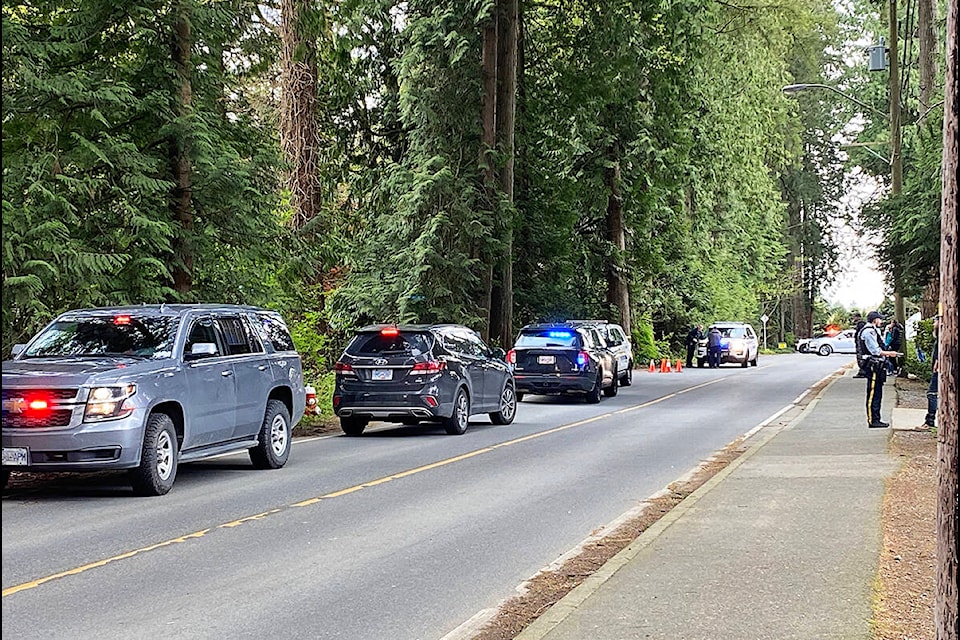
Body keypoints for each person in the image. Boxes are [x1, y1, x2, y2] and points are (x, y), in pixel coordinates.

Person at [859, 310, 899, 428]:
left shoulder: (873, 330)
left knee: (877, 393)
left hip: (877, 365)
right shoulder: (869, 332)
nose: (881, 321)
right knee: (873, 393)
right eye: (879, 319)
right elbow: (875, 351)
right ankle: (873, 419)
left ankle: (876, 418)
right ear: (875, 320)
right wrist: (889, 353)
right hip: (873, 365)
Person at [924, 315, 939, 429]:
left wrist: (938, 361)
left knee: (932, 393)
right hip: (939, 368)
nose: (934, 324)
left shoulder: (943, 335)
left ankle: (930, 419)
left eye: (935, 322)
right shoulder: (939, 336)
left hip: (939, 369)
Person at [852, 313, 868, 378]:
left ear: (857, 317)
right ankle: (864, 371)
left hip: (860, 344)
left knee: (860, 358)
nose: (853, 319)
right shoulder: (863, 324)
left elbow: (860, 334)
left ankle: (862, 372)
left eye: (854, 317)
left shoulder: (860, 324)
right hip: (861, 344)